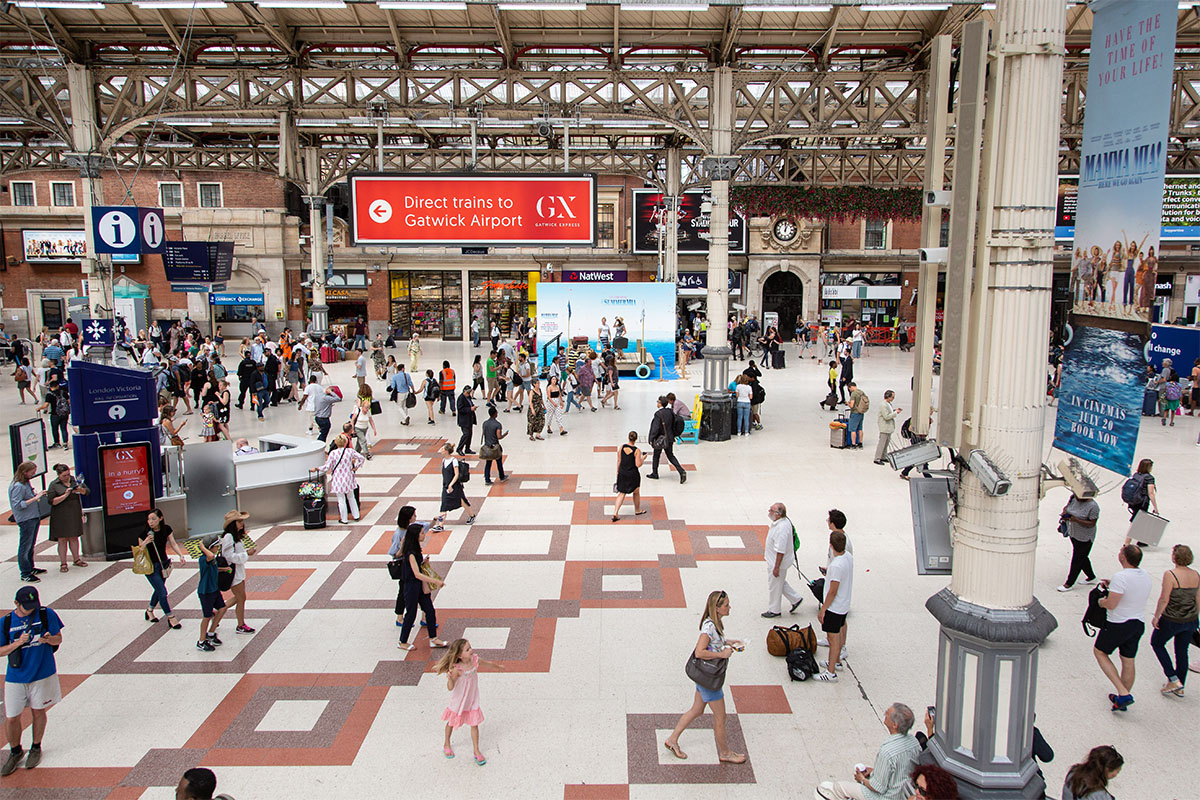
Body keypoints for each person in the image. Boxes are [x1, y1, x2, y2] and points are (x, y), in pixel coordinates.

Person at [662, 590, 746, 764]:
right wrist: (722, 654)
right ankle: (725, 752)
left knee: (697, 710)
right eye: (726, 605)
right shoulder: (708, 627)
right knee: (721, 717)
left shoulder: (714, 624)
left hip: (704, 677)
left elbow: (713, 643)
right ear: (716, 608)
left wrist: (727, 642)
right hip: (710, 680)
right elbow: (700, 652)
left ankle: (672, 740)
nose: (729, 607)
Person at [0, 587, 64, 776]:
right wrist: (18, 643)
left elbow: (58, 638)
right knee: (12, 717)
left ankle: (36, 747)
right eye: (26, 607)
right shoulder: (6, 623)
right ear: (16, 604)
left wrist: (48, 639)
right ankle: (15, 751)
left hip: (42, 673)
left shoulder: (46, 614)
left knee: (39, 711)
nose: (30, 610)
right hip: (16, 676)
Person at [815, 703, 921, 800]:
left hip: (885, 797)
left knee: (839, 787)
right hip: (903, 794)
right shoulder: (914, 743)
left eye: (887, 713)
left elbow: (878, 787)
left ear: (895, 725)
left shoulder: (887, 751)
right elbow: (900, 772)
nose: (885, 713)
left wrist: (861, 779)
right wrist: (876, 771)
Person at [1094, 544, 1152, 711]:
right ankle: (1122, 697)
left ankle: (1123, 693)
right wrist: (1113, 585)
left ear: (1123, 558)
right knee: (1128, 660)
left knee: (1100, 651)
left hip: (1118, 624)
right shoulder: (1144, 574)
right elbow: (1131, 587)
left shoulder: (1121, 577)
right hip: (1137, 623)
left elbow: (1111, 604)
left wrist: (1100, 602)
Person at [435, 638, 506, 764]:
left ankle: (476, 750)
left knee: (474, 724)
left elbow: (487, 664)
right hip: (459, 700)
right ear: (460, 656)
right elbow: (450, 687)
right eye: (467, 650)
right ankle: (446, 743)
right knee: (451, 722)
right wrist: (450, 679)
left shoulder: (475, 660)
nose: (471, 650)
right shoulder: (457, 669)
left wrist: (498, 667)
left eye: (470, 647)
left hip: (472, 698)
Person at [1150, 544, 1199, 697]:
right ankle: (1180, 686)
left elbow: (1164, 598)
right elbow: (1198, 599)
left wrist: (1156, 616)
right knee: (1182, 651)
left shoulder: (1170, 574)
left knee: (1157, 643)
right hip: (1190, 619)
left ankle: (1172, 678)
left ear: (1174, 557)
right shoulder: (1196, 575)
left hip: (1172, 619)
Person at [396, 522, 448, 651]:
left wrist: (423, 562)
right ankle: (403, 641)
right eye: (422, 533)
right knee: (411, 613)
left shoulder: (416, 550)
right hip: (412, 586)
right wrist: (435, 581)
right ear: (415, 536)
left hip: (419, 586)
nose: (424, 535)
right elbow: (417, 574)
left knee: (429, 610)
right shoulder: (411, 553)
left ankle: (433, 639)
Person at [815, 530, 853, 682]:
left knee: (833, 638)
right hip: (844, 603)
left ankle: (830, 672)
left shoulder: (836, 565)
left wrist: (823, 608)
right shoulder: (848, 557)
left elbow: (833, 590)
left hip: (834, 607)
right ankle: (835, 661)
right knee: (839, 632)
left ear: (831, 546)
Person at [140, 508, 186, 629]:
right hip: (150, 566)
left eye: (153, 519)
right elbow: (139, 551)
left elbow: (173, 543)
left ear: (160, 518)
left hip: (163, 564)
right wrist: (145, 542)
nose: (151, 522)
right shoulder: (144, 532)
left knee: (158, 589)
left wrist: (180, 555)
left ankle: (149, 610)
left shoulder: (167, 529)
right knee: (162, 592)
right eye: (149, 519)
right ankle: (171, 617)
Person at [8, 461, 48, 584]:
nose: (33, 474)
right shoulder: (18, 486)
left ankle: (30, 567)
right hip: (26, 519)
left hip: (33, 516)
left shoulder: (25, 483)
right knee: (25, 546)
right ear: (24, 472)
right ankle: (25, 572)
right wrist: (35, 498)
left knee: (31, 544)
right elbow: (17, 505)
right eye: (32, 472)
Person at [761, 502, 803, 618]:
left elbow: (780, 550)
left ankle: (774, 610)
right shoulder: (783, 522)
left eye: (771, 510)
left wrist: (776, 567)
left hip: (777, 562)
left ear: (778, 514)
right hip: (775, 560)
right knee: (779, 581)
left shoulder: (782, 529)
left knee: (774, 585)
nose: (769, 512)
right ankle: (796, 599)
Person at [45, 464, 88, 573]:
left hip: (74, 512)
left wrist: (80, 490)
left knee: (74, 537)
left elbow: (87, 491)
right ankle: (63, 562)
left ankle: (76, 559)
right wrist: (65, 495)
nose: (67, 477)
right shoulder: (54, 485)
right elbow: (51, 501)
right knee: (62, 539)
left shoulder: (74, 481)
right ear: (59, 475)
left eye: (68, 474)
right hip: (60, 515)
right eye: (64, 475)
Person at [220, 510, 256, 636]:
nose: (242, 523)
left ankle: (219, 611)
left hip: (238, 572)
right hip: (233, 573)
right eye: (239, 521)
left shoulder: (235, 537)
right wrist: (247, 554)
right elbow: (229, 556)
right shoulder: (229, 537)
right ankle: (240, 624)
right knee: (241, 598)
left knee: (240, 597)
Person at [1057, 489, 1100, 592]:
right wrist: (1065, 513)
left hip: (1085, 537)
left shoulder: (1093, 507)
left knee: (1077, 559)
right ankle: (1091, 577)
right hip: (1073, 532)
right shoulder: (1073, 498)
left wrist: (1076, 520)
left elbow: (1092, 523)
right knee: (1082, 557)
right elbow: (1068, 507)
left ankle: (1069, 583)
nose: (1076, 498)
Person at [320, 434, 366, 524]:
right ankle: (356, 515)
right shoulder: (349, 451)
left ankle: (344, 519)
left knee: (341, 499)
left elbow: (327, 467)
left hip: (338, 479)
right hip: (349, 477)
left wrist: (318, 468)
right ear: (345, 442)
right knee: (351, 497)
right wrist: (356, 467)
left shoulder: (333, 453)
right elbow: (361, 457)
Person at [195, 534, 228, 653]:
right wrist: (203, 547)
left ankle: (211, 633)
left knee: (222, 608)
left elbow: (213, 567)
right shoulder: (204, 558)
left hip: (214, 589)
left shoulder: (211, 558)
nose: (218, 548)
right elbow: (210, 555)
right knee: (207, 616)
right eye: (216, 546)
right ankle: (201, 641)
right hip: (206, 592)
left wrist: (224, 569)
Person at [434, 442, 475, 528]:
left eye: (442, 449)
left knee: (462, 501)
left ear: (446, 451)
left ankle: (472, 515)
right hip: (446, 486)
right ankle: (440, 525)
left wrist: (451, 484)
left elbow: (456, 474)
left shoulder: (454, 461)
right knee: (444, 505)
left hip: (455, 486)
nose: (441, 451)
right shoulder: (444, 460)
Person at [647, 395, 685, 482]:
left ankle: (655, 473)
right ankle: (681, 471)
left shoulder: (658, 414)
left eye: (658, 402)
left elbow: (655, 428)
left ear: (660, 404)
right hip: (670, 437)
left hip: (660, 439)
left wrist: (651, 438)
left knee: (656, 455)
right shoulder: (670, 411)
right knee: (670, 456)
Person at [612, 431, 646, 522]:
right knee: (636, 491)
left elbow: (619, 460)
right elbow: (638, 464)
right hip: (633, 474)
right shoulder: (637, 451)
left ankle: (615, 512)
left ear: (628, 437)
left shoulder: (622, 447)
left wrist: (617, 471)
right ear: (636, 439)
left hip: (622, 473)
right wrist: (643, 458)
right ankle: (637, 510)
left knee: (621, 493)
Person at [1123, 458, 1158, 526]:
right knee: (1137, 522)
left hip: (1133, 501)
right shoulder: (1149, 478)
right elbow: (1151, 493)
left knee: (1136, 519)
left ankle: (1130, 536)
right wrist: (1155, 508)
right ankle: (1129, 536)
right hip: (1142, 502)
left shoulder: (1136, 475)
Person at [481, 405, 509, 485]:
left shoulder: (485, 423)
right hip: (495, 446)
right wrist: (505, 434)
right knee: (499, 462)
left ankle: (487, 479)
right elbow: (499, 437)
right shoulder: (498, 424)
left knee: (488, 463)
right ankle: (502, 476)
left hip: (487, 446)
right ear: (495, 414)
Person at [874, 390, 900, 465]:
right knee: (882, 443)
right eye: (892, 397)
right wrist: (895, 413)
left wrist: (894, 411)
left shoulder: (888, 404)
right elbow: (886, 416)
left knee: (886, 443)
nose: (893, 398)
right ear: (888, 397)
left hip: (889, 427)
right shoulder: (883, 405)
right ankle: (877, 458)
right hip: (884, 426)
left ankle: (883, 456)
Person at [352, 386, 376, 460]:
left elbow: (371, 420)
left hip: (365, 427)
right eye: (366, 407)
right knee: (363, 440)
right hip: (358, 428)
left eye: (368, 407)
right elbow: (352, 420)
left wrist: (374, 429)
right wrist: (352, 429)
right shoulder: (358, 411)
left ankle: (355, 452)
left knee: (359, 442)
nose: (367, 409)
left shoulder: (368, 412)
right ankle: (367, 453)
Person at [456, 385, 478, 456]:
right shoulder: (461, 398)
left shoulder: (468, 397)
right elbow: (460, 409)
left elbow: (470, 404)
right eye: (467, 393)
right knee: (466, 434)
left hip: (470, 419)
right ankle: (459, 448)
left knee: (470, 434)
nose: (469, 394)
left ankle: (467, 448)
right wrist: (470, 409)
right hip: (464, 420)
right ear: (464, 391)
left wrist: (473, 407)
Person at [846, 381, 868, 449]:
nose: (850, 390)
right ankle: (860, 443)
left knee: (853, 429)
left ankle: (853, 444)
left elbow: (852, 405)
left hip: (855, 413)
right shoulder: (861, 392)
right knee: (860, 429)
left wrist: (848, 403)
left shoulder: (854, 394)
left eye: (849, 389)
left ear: (851, 387)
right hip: (861, 412)